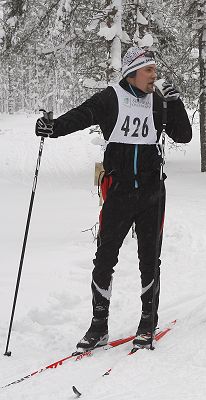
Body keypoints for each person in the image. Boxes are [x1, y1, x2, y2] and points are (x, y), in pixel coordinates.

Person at [34, 47, 192, 351]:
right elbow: (81, 116)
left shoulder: (159, 101)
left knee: (149, 259)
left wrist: (176, 102)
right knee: (104, 259)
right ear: (132, 72)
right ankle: (98, 325)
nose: (154, 76)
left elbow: (182, 135)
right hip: (118, 191)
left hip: (152, 193)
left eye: (155, 71)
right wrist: (51, 129)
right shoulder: (111, 97)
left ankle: (148, 322)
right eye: (149, 71)